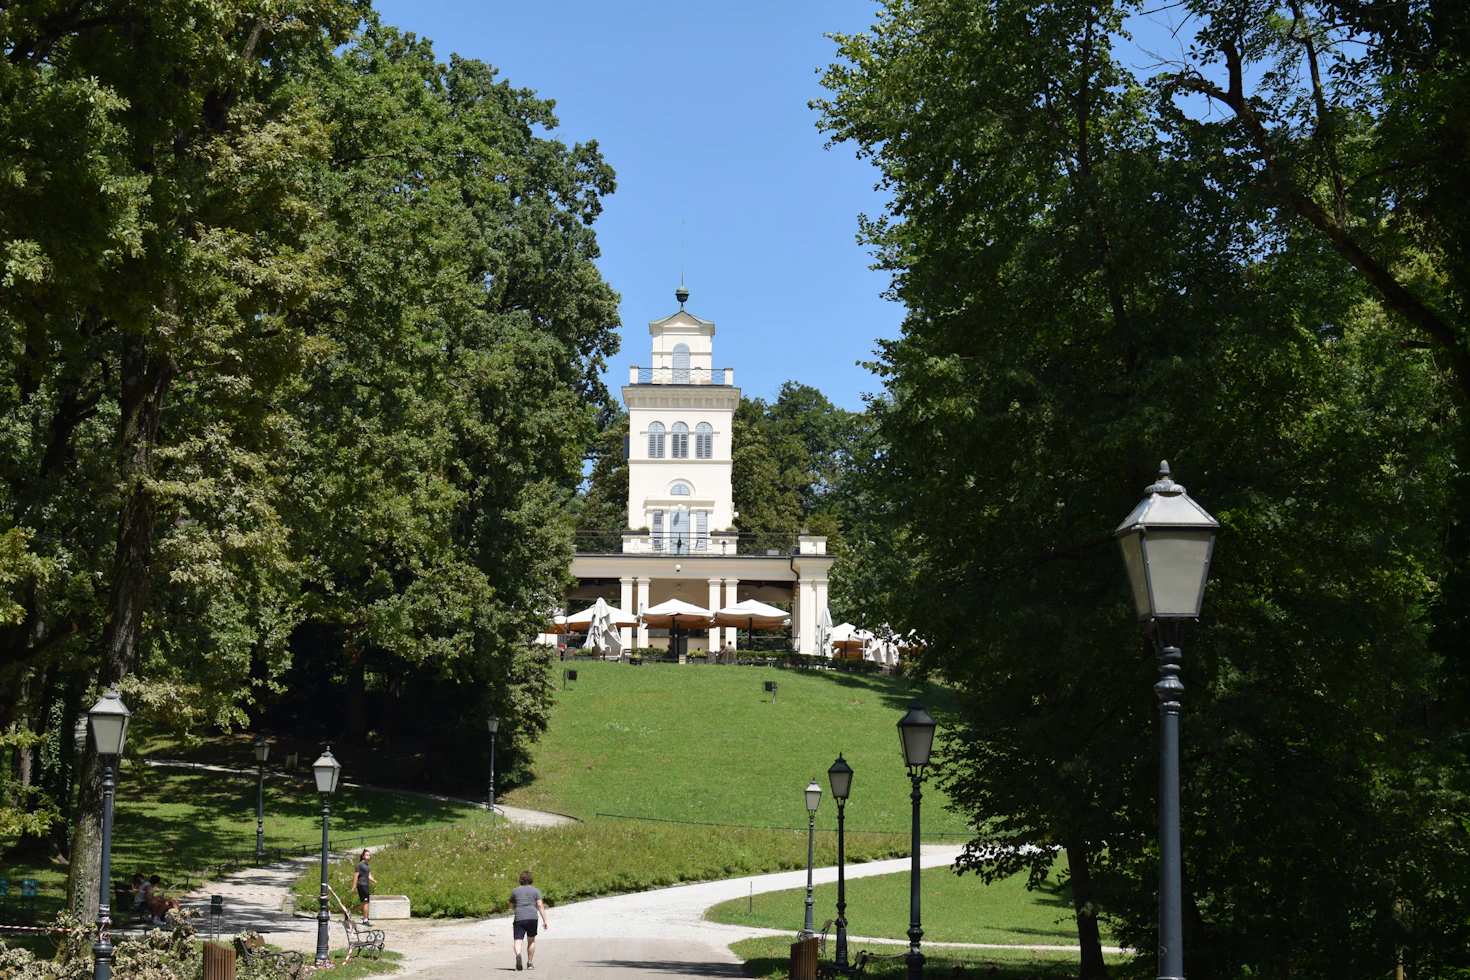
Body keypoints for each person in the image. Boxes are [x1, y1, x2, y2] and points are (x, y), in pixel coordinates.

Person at [510, 870, 548, 971]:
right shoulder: (536, 891)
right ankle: (530, 963)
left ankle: (518, 954)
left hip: (519, 918)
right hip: (532, 917)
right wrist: (545, 920)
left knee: (518, 941)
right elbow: (540, 905)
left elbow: (511, 906)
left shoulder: (515, 891)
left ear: (520, 880)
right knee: (531, 940)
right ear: (531, 879)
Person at [351, 849, 377, 925]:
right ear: (363, 856)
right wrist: (354, 886)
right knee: (366, 902)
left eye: (369, 855)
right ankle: (365, 920)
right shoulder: (359, 865)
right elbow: (356, 875)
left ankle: (349, 912)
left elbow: (369, 875)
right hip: (361, 884)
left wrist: (373, 880)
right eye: (367, 855)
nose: (368, 857)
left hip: (366, 884)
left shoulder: (367, 866)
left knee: (364, 903)